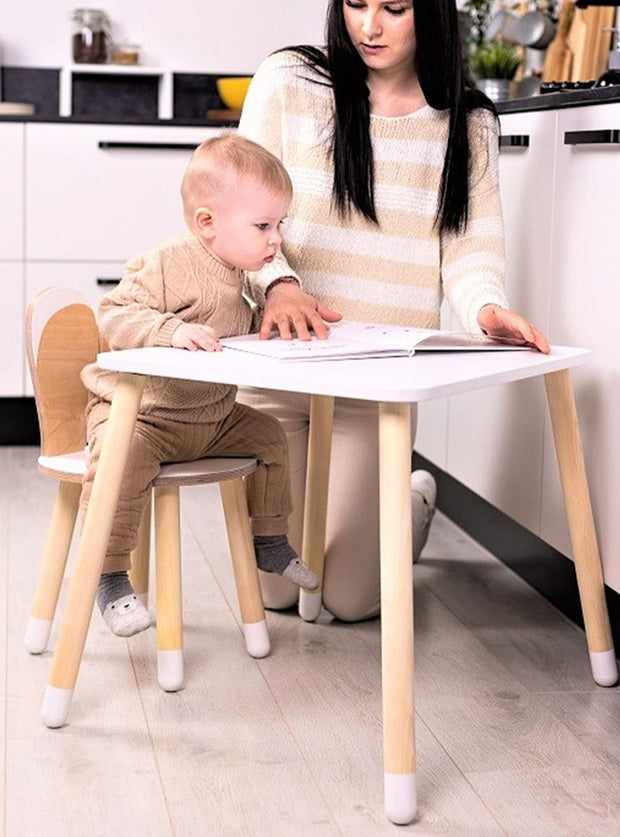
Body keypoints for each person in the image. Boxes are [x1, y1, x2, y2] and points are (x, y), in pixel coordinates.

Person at [236, 0, 550, 622]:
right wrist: (278, 283)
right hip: (281, 368)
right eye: (355, 3)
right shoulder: (288, 83)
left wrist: (487, 309)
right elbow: (238, 207)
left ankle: (412, 503)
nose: (369, 27)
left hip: (378, 384)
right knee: (276, 589)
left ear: (430, 12)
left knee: (349, 601)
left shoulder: (467, 123)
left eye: (394, 8)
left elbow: (470, 249)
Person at [79, 133, 319, 638]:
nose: (276, 241)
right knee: (120, 463)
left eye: (279, 225)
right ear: (206, 223)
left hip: (211, 418)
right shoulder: (168, 262)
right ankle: (110, 578)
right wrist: (172, 331)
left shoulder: (239, 272)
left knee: (270, 436)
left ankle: (271, 541)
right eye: (263, 226)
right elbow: (115, 313)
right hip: (144, 415)